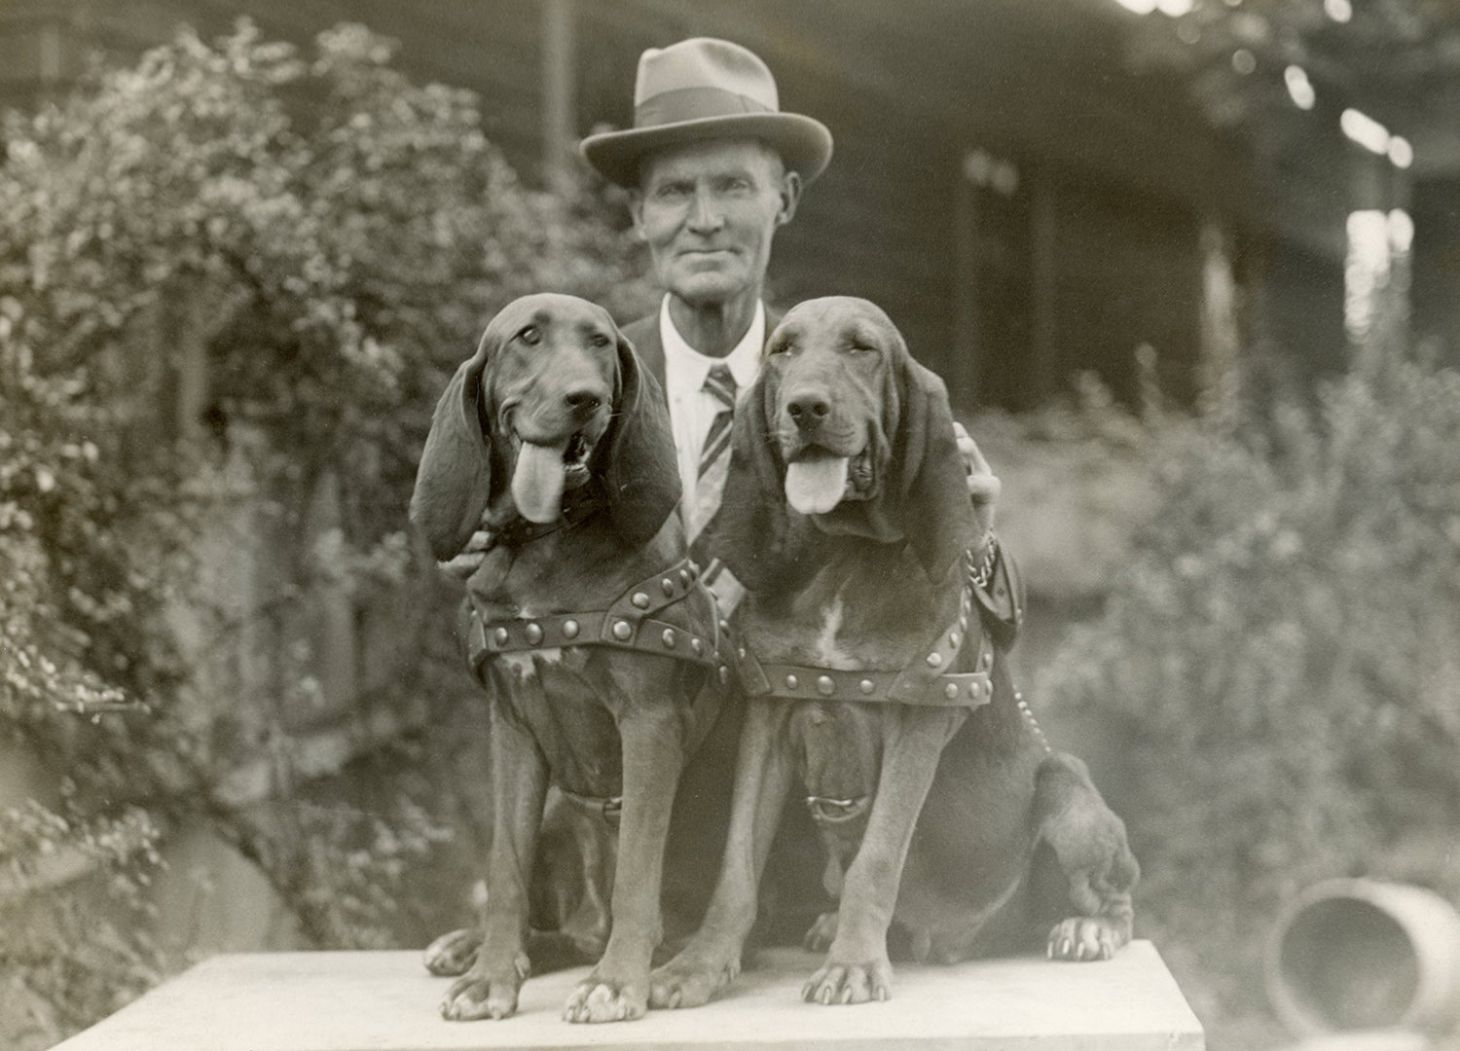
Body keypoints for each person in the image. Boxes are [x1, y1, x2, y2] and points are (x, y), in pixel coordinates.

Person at [430, 36, 1008, 970]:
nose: (704, 220)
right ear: (639, 215)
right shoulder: (574, 380)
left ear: (783, 199)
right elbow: (506, 605)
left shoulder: (854, 375)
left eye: (733, 187)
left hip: (790, 867)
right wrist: (479, 545)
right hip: (622, 864)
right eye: (674, 192)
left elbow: (952, 606)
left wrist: (982, 533)